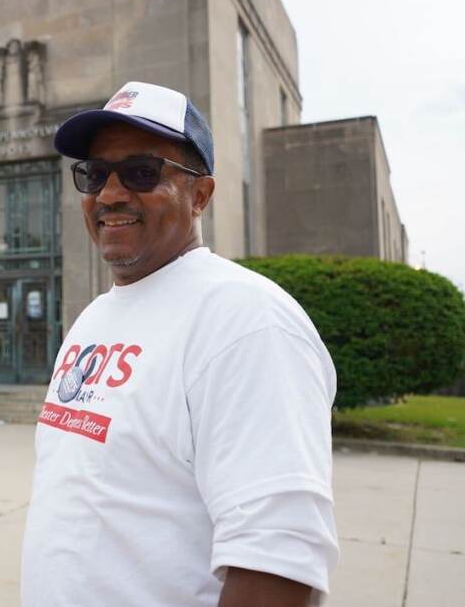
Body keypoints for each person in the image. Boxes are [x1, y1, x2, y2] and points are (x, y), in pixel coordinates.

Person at [20, 81, 339, 606]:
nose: (110, 194)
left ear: (200, 195)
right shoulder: (95, 318)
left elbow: (278, 564)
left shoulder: (246, 321)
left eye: (141, 172)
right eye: (94, 174)